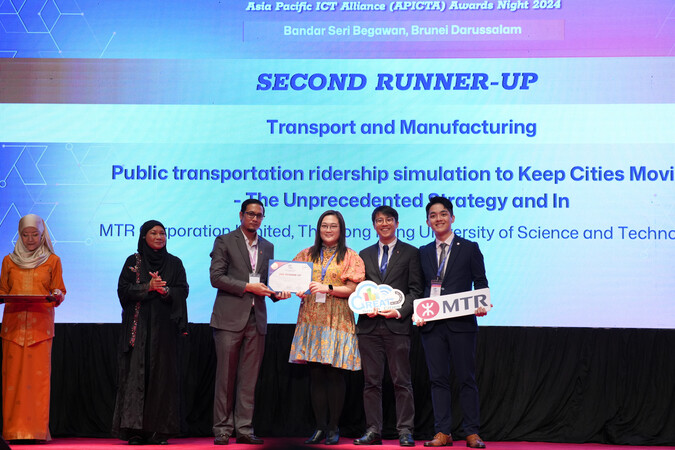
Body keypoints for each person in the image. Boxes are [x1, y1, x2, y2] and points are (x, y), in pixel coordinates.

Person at [210, 199, 289, 446]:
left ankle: (244, 428)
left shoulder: (268, 246)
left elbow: (266, 283)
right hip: (229, 318)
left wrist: (279, 293)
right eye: (251, 214)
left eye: (259, 215)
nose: (255, 219)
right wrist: (247, 286)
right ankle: (222, 428)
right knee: (225, 377)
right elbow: (216, 277)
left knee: (249, 378)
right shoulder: (225, 241)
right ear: (241, 215)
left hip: (257, 319)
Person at [416, 197, 489, 448]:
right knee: (438, 379)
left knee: (466, 377)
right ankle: (443, 432)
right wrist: (418, 311)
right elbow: (421, 287)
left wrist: (481, 303)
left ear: (452, 218)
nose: (439, 218)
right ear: (428, 222)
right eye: (433, 215)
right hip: (432, 326)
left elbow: (480, 282)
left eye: (443, 214)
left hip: (462, 324)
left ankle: (471, 432)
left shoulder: (469, 248)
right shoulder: (423, 252)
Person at [289, 210, 365, 445]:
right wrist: (297, 289)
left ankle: (334, 427)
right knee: (316, 374)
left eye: (333, 226)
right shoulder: (306, 254)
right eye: (324, 226)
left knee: (334, 373)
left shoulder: (351, 257)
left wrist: (328, 288)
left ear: (341, 229)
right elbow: (292, 282)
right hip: (311, 319)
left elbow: (353, 289)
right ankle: (320, 427)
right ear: (318, 229)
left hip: (337, 319)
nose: (328, 230)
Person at [112, 220, 189, 445]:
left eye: (162, 233)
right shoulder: (133, 262)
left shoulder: (175, 263)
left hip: (165, 332)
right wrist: (148, 287)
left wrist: (165, 291)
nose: (159, 237)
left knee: (162, 378)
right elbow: (123, 291)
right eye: (153, 233)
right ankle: (135, 431)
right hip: (138, 329)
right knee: (136, 376)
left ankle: (159, 431)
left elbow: (182, 290)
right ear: (143, 236)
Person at [354, 206, 423, 447]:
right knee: (371, 383)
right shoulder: (363, 254)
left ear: (396, 223)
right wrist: (363, 306)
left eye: (389, 220)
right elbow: (359, 290)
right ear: (374, 225)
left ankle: (405, 430)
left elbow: (416, 290)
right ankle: (373, 430)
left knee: (401, 381)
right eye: (379, 220)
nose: (384, 224)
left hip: (397, 326)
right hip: (369, 328)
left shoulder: (411, 253)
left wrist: (400, 311)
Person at [0, 214, 65, 444]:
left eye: (34, 235)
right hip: (13, 329)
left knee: (37, 384)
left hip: (40, 330)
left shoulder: (52, 261)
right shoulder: (9, 260)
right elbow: (3, 290)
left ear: (42, 235)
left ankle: (37, 432)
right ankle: (12, 432)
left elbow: (59, 292)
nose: (30, 239)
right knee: (13, 384)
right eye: (25, 235)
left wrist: (57, 296)